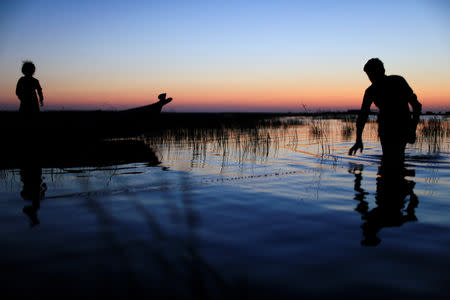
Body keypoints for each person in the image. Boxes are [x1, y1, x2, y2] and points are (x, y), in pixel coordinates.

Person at [348, 58, 422, 163]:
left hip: (402, 127)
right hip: (385, 129)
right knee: (388, 159)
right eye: (369, 76)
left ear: (382, 71)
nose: (371, 78)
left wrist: (412, 129)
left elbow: (416, 106)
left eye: (372, 75)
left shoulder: (398, 81)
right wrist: (358, 139)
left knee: (396, 158)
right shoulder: (370, 91)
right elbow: (363, 115)